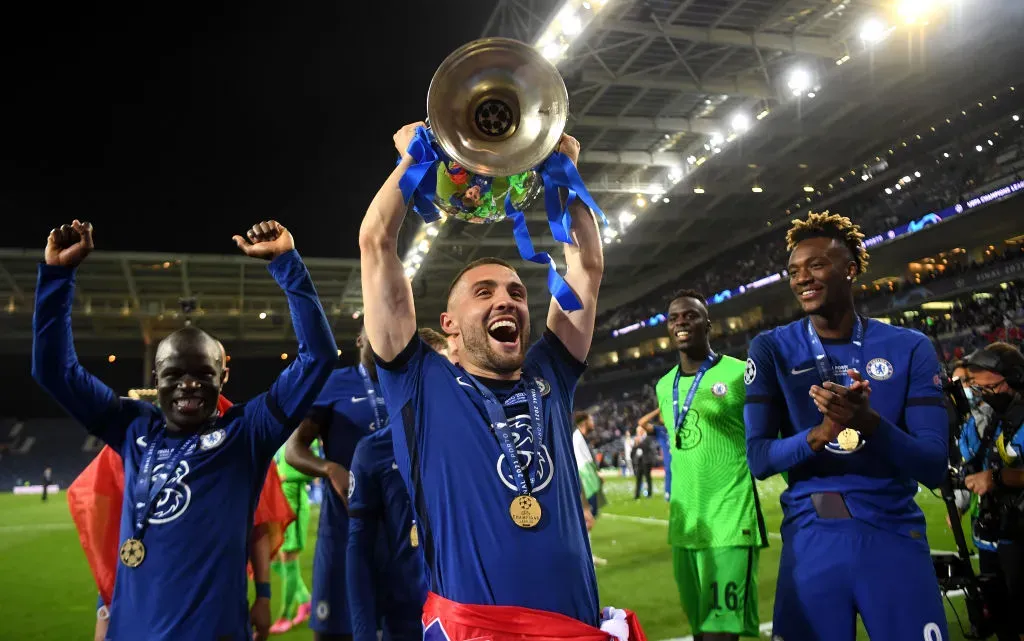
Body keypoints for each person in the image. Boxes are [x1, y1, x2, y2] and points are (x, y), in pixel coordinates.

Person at [360, 122, 640, 641]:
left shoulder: (550, 373)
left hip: (574, 629)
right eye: (484, 293)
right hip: (475, 632)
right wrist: (412, 161)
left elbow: (586, 266)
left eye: (515, 291)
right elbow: (377, 244)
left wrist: (565, 174)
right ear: (448, 324)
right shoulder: (419, 381)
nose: (506, 300)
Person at [34, 219, 337, 640]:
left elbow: (319, 357)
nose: (188, 384)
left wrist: (287, 263)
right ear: (156, 378)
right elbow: (54, 371)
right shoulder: (132, 426)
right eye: (174, 374)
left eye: (202, 373)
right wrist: (57, 277)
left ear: (222, 376)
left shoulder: (247, 433)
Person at [743, 211, 949, 641]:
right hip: (812, 535)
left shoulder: (910, 347)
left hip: (893, 533)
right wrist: (820, 434)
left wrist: (866, 422)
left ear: (850, 269)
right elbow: (759, 459)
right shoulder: (771, 349)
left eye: (816, 265)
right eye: (794, 271)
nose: (802, 278)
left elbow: (933, 466)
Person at [655, 289, 765, 641]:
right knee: (700, 631)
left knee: (722, 633)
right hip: (686, 525)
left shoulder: (739, 373)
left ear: (708, 325)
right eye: (674, 318)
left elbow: (768, 433)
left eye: (690, 315)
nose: (681, 322)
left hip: (729, 519)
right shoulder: (663, 386)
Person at [284, 327, 386, 641]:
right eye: (375, 329)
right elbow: (294, 449)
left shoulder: (409, 383)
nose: (383, 335)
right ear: (359, 339)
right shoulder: (334, 383)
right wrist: (329, 468)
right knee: (334, 631)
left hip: (399, 535)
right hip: (343, 529)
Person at [961, 342, 1024, 637]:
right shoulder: (994, 417)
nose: (985, 395)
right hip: (997, 530)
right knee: (1001, 615)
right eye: (980, 388)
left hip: (1019, 535)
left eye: (992, 387)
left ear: (1016, 378)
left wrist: (996, 478)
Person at [346, 423, 428, 641]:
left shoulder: (465, 438)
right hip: (405, 621)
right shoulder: (375, 449)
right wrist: (363, 634)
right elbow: (358, 548)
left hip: (463, 616)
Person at [269, 443, 314, 633]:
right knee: (272, 558)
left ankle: (285, 617)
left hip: (293, 506)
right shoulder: (279, 440)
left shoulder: (304, 436)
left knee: (288, 557)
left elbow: (313, 470)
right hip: (278, 505)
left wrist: (286, 477)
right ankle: (305, 599)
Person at [631, 426, 655, 499]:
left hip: (647, 461)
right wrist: (636, 444)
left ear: (642, 431)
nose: (637, 433)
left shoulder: (647, 438)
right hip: (639, 461)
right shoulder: (637, 440)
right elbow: (633, 450)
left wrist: (638, 442)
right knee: (638, 478)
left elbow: (646, 447)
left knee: (648, 478)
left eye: (638, 431)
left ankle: (649, 494)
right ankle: (637, 494)